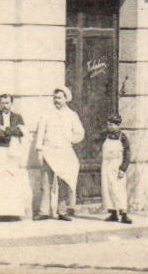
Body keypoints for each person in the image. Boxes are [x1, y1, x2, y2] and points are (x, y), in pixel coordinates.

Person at [34, 86, 84, 220]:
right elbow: (40, 133)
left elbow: (80, 133)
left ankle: (62, 211)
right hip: (48, 151)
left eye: (60, 98)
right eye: (55, 98)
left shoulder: (72, 115)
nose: (57, 100)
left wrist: (70, 140)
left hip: (64, 153)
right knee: (45, 182)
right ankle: (44, 211)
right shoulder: (46, 114)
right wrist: (39, 150)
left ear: (66, 99)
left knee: (64, 181)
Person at [0, 93, 29, 221]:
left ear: (11, 103)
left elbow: (21, 131)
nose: (4, 106)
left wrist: (6, 129)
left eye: (7, 103)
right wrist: (10, 132)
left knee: (12, 180)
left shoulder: (17, 117)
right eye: (2, 103)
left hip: (12, 151)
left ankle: (12, 213)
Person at [98, 113, 133, 224]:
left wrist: (123, 168)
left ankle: (123, 213)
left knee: (118, 189)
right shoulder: (105, 136)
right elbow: (97, 144)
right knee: (107, 189)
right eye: (108, 125)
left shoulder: (122, 137)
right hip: (106, 165)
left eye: (113, 125)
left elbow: (127, 153)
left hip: (117, 165)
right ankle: (113, 213)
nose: (110, 127)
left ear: (118, 125)